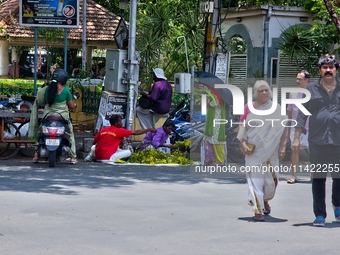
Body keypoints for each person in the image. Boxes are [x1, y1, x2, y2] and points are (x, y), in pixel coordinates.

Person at [294, 54, 340, 227]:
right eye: (324, 67)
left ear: (336, 70)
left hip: (338, 140)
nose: (328, 70)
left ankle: (338, 205)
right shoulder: (311, 90)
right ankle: (319, 214)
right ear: (320, 70)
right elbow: (300, 114)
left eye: (331, 67)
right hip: (318, 140)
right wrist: (296, 138)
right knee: (319, 178)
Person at [238, 80, 288, 221]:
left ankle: (264, 200)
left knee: (270, 181)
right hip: (253, 152)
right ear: (255, 93)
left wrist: (283, 146)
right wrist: (242, 144)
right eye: (261, 90)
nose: (264, 93)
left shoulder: (277, 108)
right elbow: (242, 128)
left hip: (271, 152)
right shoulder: (248, 108)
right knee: (255, 180)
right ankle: (258, 210)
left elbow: (284, 129)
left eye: (266, 90)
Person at [29, 68, 78, 164]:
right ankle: (73, 157)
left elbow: (40, 101)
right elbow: (71, 106)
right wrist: (74, 105)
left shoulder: (46, 90)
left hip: (48, 116)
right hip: (62, 117)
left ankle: (36, 155)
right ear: (63, 79)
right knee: (70, 133)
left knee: (40, 134)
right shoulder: (66, 91)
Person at [84, 115, 156, 163]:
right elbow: (136, 132)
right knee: (129, 151)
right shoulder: (119, 130)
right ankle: (117, 158)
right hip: (107, 159)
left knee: (94, 147)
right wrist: (149, 129)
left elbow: (94, 142)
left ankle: (90, 156)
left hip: (98, 157)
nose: (121, 123)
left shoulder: (103, 130)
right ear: (116, 123)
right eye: (120, 121)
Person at [286, 70, 310, 184]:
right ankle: (294, 176)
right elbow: (290, 111)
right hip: (295, 128)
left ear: (307, 81)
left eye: (300, 79)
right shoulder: (293, 93)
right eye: (297, 79)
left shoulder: (313, 93)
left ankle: (313, 176)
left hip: (310, 128)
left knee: (313, 152)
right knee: (294, 150)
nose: (297, 81)